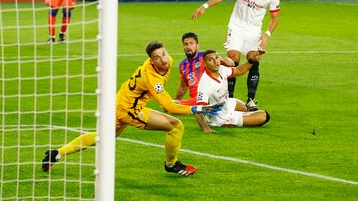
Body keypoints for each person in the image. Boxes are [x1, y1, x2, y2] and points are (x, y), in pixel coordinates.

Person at [42, 41, 220, 177]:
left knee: (104, 136)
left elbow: (169, 101)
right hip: (129, 109)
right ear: (152, 60)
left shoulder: (167, 62)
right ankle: (171, 164)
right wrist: (197, 109)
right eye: (158, 58)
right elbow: (168, 107)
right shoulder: (152, 78)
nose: (164, 59)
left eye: (164, 54)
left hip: (120, 101)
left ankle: (57, 153)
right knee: (175, 125)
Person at [192, 0, 280, 110]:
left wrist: (266, 35)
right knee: (233, 59)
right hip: (236, 27)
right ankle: (229, 99)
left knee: (254, 59)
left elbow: (275, 20)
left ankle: (251, 100)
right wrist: (204, 6)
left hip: (254, 31)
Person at [194, 50, 270, 133]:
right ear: (205, 64)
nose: (216, 61)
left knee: (245, 107)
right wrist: (205, 128)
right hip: (222, 117)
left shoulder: (221, 69)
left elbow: (239, 71)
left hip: (226, 103)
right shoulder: (205, 84)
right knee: (264, 116)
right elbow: (198, 110)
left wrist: (252, 60)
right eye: (210, 60)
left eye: (217, 58)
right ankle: (232, 119)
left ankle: (244, 115)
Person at [175, 32, 234, 105]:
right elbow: (183, 87)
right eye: (186, 44)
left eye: (191, 43)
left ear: (198, 45)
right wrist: (175, 101)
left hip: (209, 97)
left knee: (176, 104)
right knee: (173, 104)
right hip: (195, 100)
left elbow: (231, 63)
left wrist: (220, 58)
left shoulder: (206, 57)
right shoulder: (182, 65)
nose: (188, 47)